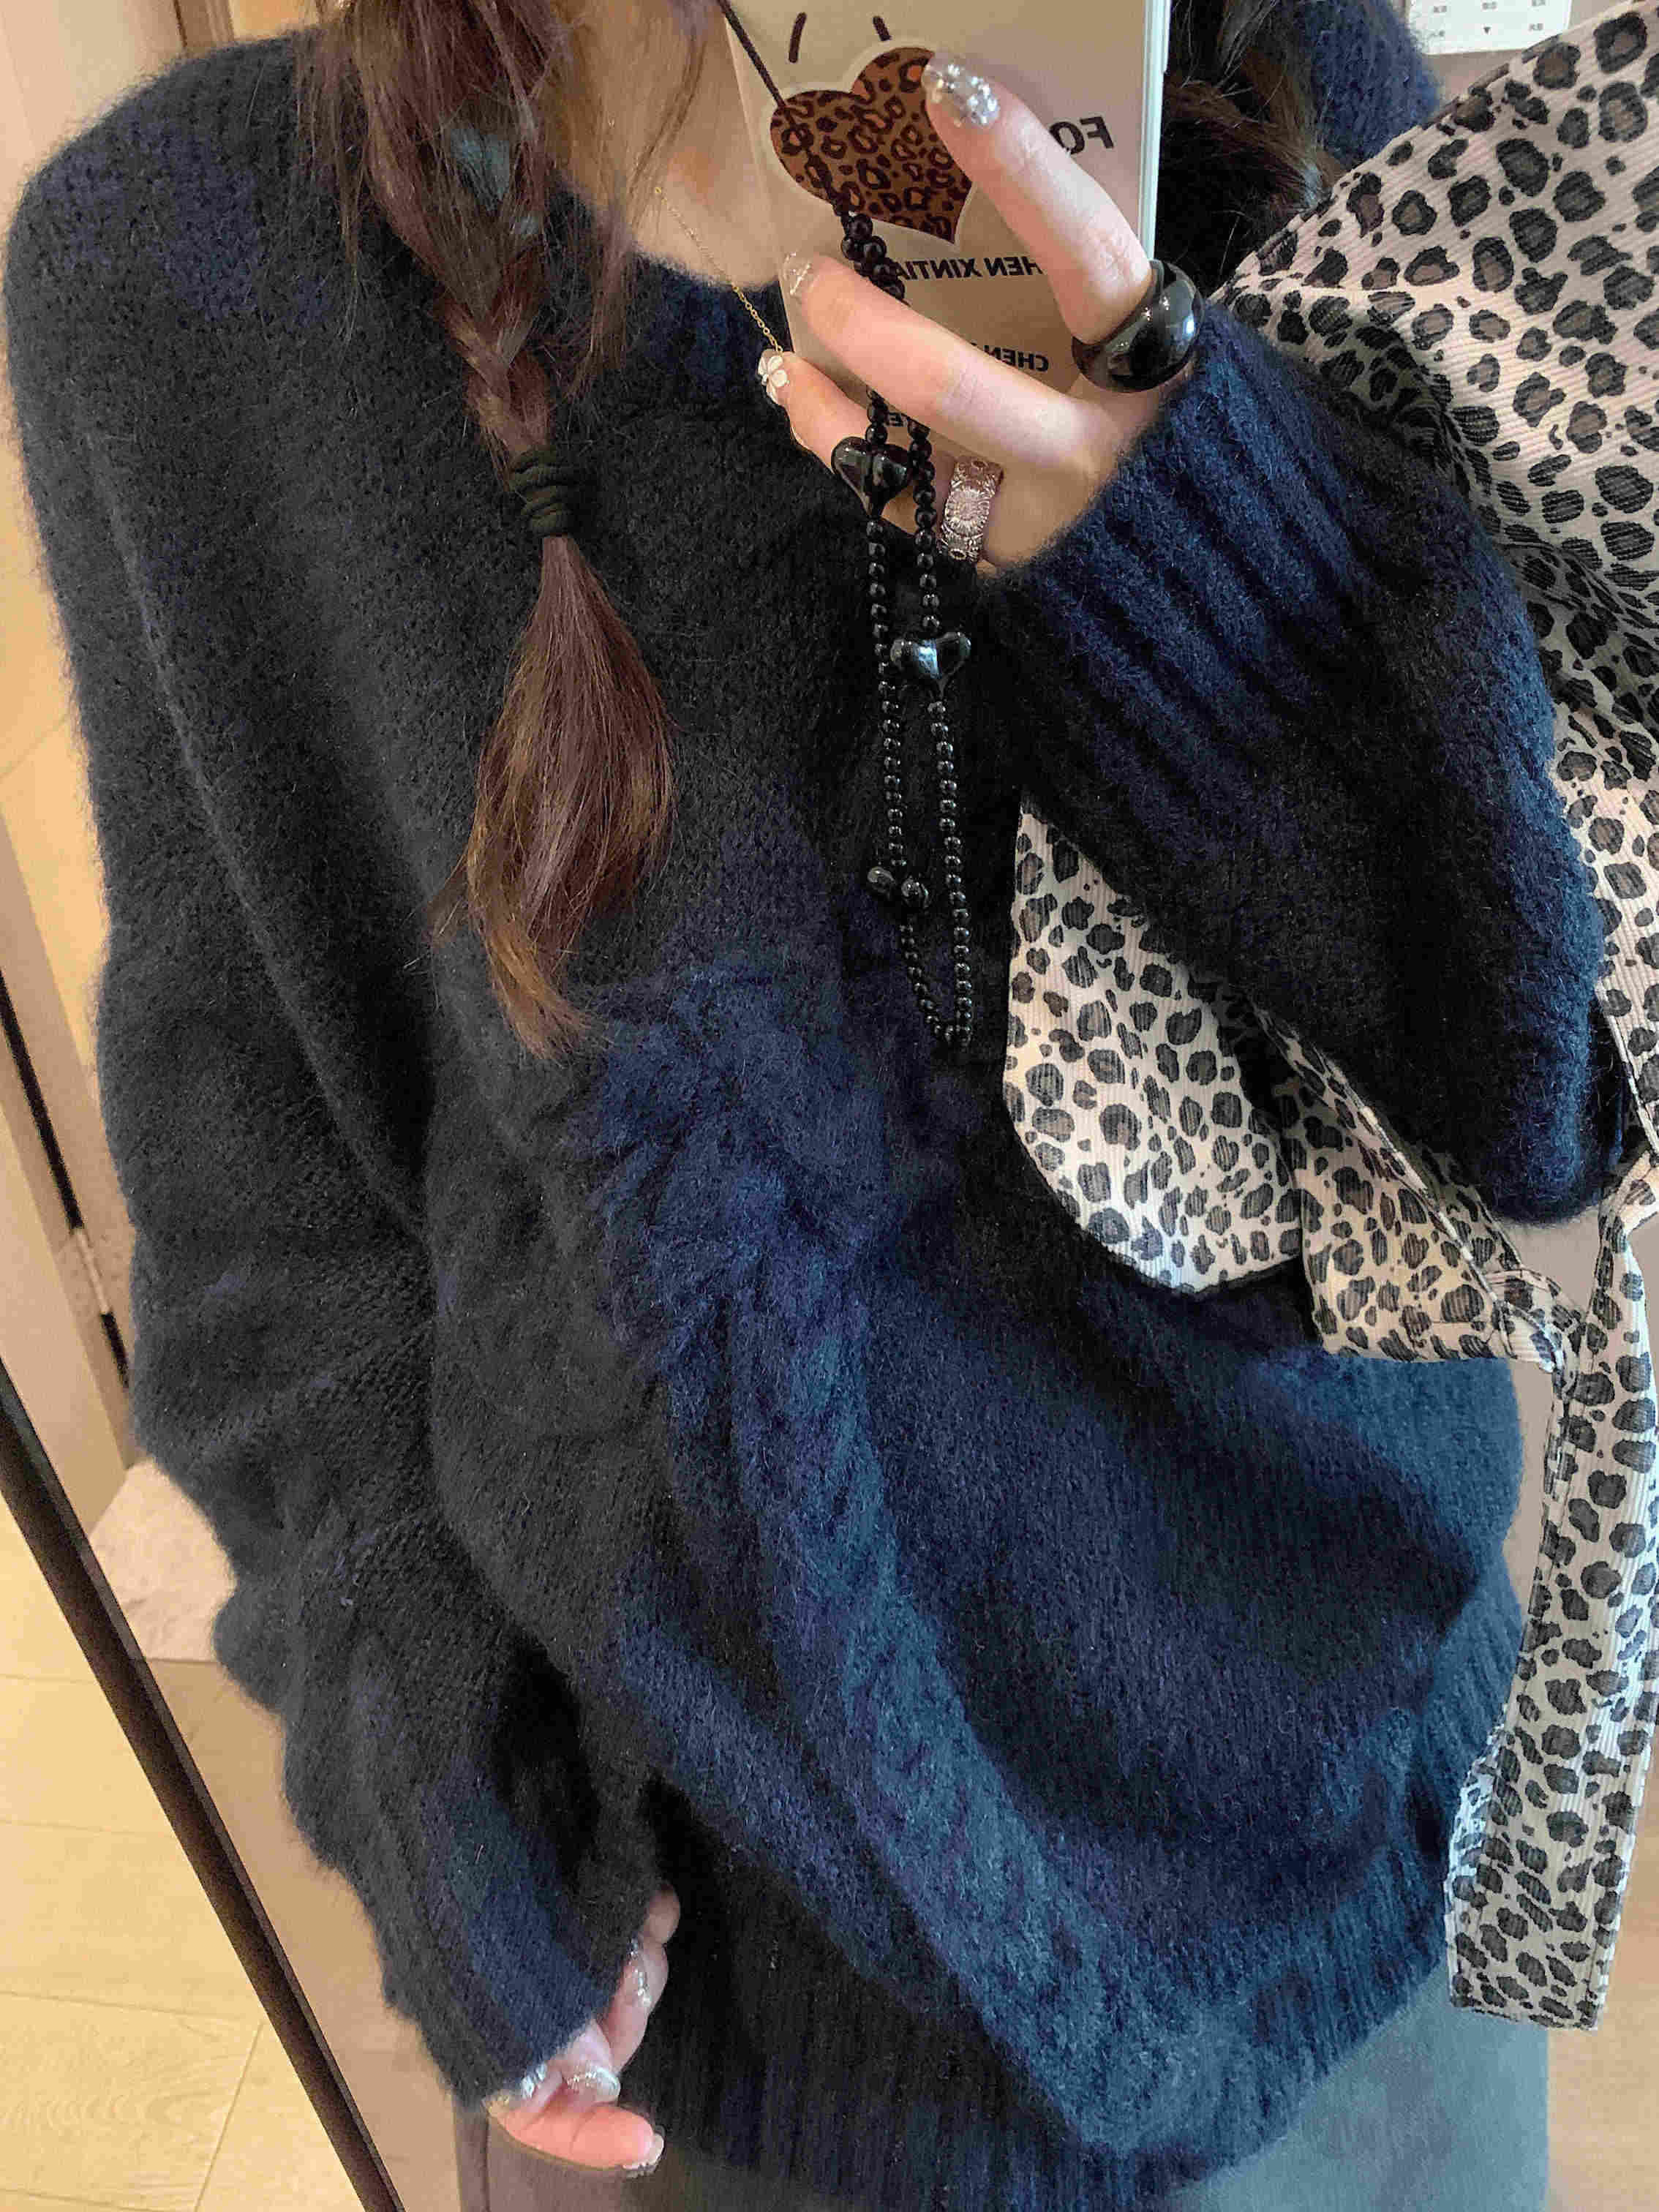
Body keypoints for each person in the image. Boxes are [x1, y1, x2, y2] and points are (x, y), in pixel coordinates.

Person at [1, 0, 1611, 2203]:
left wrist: (1207, 550)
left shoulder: (1281, 64)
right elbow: (261, 1182)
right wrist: (427, 1762)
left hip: (1359, 1879)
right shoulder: (181, 269)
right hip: (721, 2020)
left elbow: (1541, 1087)